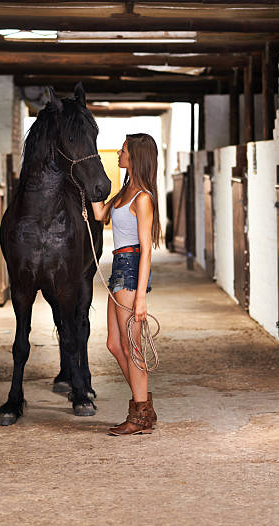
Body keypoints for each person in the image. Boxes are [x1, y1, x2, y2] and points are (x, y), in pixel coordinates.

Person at [91, 133, 161, 436]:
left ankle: (139, 415)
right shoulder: (124, 192)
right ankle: (144, 409)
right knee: (114, 344)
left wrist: (141, 299)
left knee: (133, 348)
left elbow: (146, 249)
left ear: (135, 157)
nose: (119, 154)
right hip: (119, 269)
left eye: (123, 150)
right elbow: (98, 214)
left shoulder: (142, 197)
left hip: (130, 270)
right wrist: (87, 176)